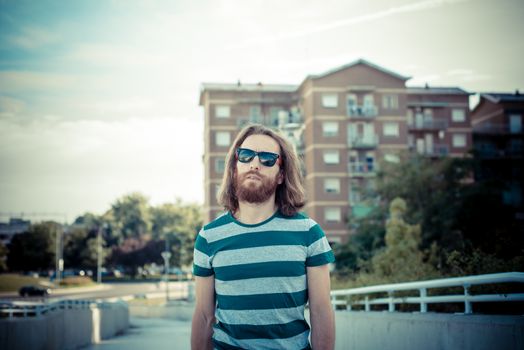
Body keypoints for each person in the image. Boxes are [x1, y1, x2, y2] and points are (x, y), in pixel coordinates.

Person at [191, 124, 335, 350]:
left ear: (281, 175)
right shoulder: (208, 238)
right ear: (234, 167)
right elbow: (203, 316)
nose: (254, 164)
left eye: (268, 158)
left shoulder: (309, 233)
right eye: (246, 156)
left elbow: (321, 311)